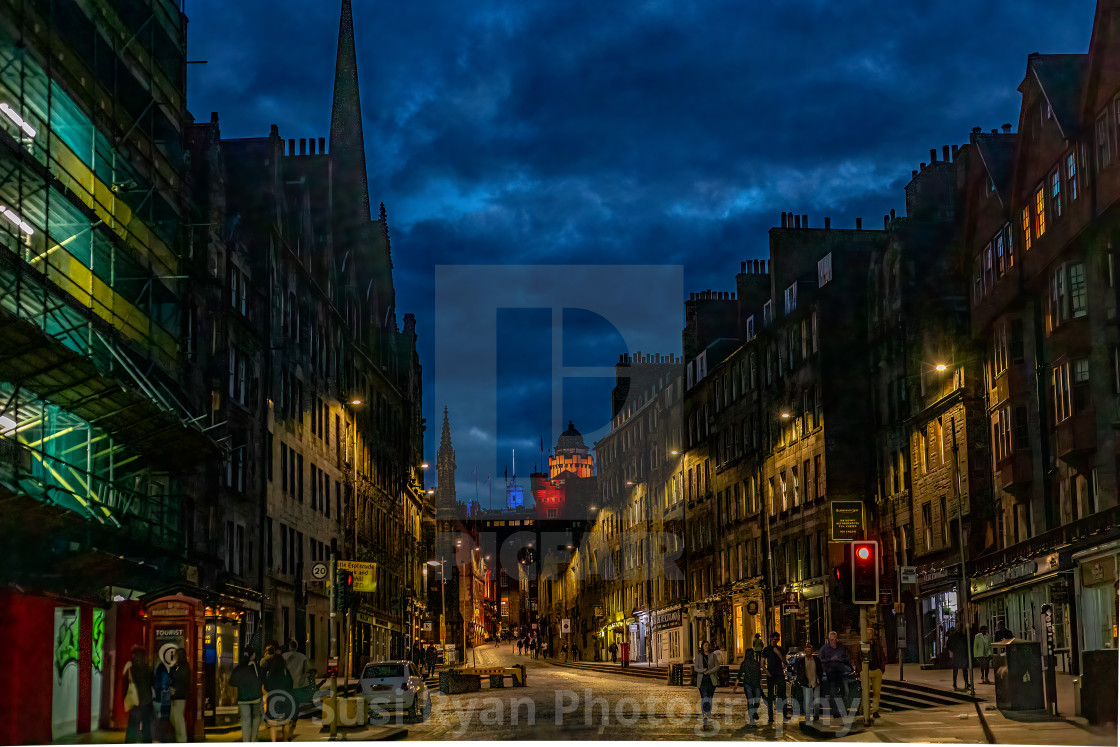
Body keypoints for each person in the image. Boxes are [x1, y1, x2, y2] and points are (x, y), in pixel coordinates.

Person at [230, 647, 263, 742]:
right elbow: (261, 680)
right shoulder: (255, 666)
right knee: (256, 717)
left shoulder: (239, 668)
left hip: (242, 697)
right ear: (252, 655)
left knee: (245, 720)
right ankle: (253, 739)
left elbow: (232, 682)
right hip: (256, 696)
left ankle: (246, 741)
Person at [262, 645, 294, 741]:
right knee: (286, 721)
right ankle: (284, 741)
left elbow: (266, 686)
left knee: (273, 723)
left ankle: (273, 741)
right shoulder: (285, 671)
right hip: (285, 697)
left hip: (273, 697)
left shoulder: (270, 672)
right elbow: (291, 683)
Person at [123, 647, 155, 743]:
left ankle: (131, 743)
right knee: (146, 728)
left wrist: (126, 698)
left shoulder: (130, 670)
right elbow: (153, 683)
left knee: (132, 727)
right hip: (147, 702)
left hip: (135, 703)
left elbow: (125, 686)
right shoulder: (148, 670)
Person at [819, 631, 851, 720]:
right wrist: (830, 660)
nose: (833, 642)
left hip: (841, 672)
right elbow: (821, 660)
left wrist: (840, 659)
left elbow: (847, 657)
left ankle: (844, 710)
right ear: (829, 640)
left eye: (835, 640)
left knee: (845, 692)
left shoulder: (841, 647)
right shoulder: (825, 649)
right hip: (831, 673)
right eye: (831, 640)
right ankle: (835, 712)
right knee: (833, 693)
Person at [762, 632, 789, 724]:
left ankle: (785, 715)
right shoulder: (766, 650)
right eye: (774, 639)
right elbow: (762, 663)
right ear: (771, 638)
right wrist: (767, 672)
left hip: (779, 674)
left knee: (782, 695)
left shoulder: (780, 649)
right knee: (770, 696)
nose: (775, 641)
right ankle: (770, 717)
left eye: (777, 640)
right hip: (771, 675)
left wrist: (778, 653)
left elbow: (785, 662)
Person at [282, 641, 308, 738]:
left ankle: (286, 719)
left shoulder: (284, 656)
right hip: (298, 684)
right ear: (296, 647)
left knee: (287, 702)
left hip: (287, 685)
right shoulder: (303, 657)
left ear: (289, 646)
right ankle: (293, 720)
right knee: (296, 703)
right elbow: (307, 670)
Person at [736, 643, 764, 725]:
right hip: (748, 684)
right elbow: (740, 674)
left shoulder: (756, 663)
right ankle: (751, 716)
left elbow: (759, 674)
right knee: (751, 700)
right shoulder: (744, 664)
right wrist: (736, 684)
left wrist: (761, 683)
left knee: (756, 700)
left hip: (755, 684)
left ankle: (754, 712)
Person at [794, 644, 823, 723]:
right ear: (805, 652)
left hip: (816, 682)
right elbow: (799, 671)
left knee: (816, 701)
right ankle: (807, 717)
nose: (808, 653)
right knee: (807, 702)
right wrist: (801, 680)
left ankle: (816, 716)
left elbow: (820, 670)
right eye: (807, 651)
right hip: (806, 683)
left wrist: (819, 678)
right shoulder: (801, 661)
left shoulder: (816, 660)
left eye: (810, 651)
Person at [693, 640, 719, 726]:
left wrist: (710, 671)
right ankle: (704, 714)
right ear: (702, 647)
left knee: (709, 698)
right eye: (705, 645)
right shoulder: (699, 656)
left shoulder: (713, 656)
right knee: (704, 697)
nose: (707, 647)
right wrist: (703, 670)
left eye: (708, 645)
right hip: (702, 679)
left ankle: (708, 714)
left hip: (711, 679)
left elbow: (717, 666)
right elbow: (695, 668)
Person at [168, 647, 190, 743]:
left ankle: (181, 740)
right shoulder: (182, 667)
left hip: (178, 696)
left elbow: (177, 679)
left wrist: (174, 689)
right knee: (175, 719)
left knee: (178, 720)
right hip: (178, 696)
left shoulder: (182, 668)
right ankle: (180, 739)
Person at [865, 627, 887, 720]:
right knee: (866, 691)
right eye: (868, 633)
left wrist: (881, 668)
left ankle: (875, 710)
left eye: (871, 633)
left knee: (876, 691)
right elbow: (857, 656)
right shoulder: (863, 645)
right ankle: (865, 709)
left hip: (876, 670)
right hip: (867, 670)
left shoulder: (877, 645)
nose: (869, 635)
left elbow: (882, 656)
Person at [947, 626, 969, 691]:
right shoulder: (962, 635)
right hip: (960, 654)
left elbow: (948, 644)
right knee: (963, 669)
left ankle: (955, 683)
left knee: (956, 669)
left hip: (958, 654)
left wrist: (952, 650)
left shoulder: (954, 635)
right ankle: (965, 683)